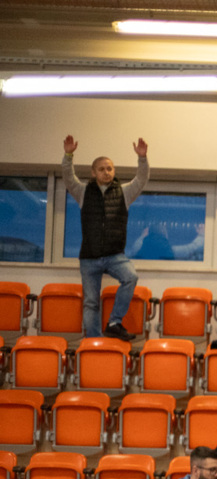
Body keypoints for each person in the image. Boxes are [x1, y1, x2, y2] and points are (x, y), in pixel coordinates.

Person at [61, 133, 148, 340]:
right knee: (91, 302)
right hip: (89, 257)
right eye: (101, 169)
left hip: (114, 255)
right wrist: (68, 156)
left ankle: (115, 322)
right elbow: (68, 178)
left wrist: (142, 159)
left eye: (109, 168)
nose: (106, 172)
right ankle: (93, 341)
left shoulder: (124, 192)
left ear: (114, 171)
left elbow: (141, 179)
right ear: (93, 172)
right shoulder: (83, 192)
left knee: (131, 277)